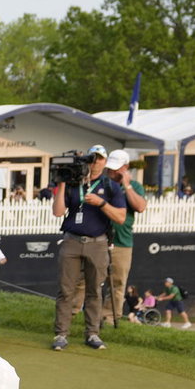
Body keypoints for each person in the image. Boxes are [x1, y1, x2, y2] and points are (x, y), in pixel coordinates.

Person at [50, 145, 127, 352]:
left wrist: (102, 203)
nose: (95, 162)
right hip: (72, 240)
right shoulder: (74, 183)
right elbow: (58, 212)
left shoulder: (110, 186)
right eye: (91, 158)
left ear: (105, 162)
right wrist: (62, 183)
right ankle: (61, 334)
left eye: (99, 159)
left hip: (98, 242)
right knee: (66, 290)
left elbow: (120, 217)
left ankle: (92, 333)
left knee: (94, 290)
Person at [97, 151, 147, 330]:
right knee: (91, 280)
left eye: (116, 169)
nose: (112, 172)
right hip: (98, 238)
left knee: (118, 283)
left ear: (125, 168)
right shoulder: (101, 183)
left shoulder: (134, 186)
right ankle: (90, 316)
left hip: (122, 241)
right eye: (110, 169)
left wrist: (127, 185)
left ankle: (110, 318)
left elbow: (140, 207)